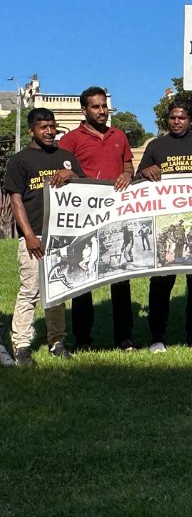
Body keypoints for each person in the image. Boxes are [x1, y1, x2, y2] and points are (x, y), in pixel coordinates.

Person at [3, 108, 84, 363]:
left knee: (58, 290)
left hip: (63, 235)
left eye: (52, 126)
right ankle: (22, 345)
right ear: (31, 131)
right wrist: (28, 235)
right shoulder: (20, 160)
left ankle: (57, 342)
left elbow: (85, 190)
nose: (49, 131)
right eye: (43, 127)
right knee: (31, 291)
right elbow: (16, 200)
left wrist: (73, 175)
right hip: (35, 234)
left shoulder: (66, 157)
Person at [137, 98, 192, 350]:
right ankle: (157, 337)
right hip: (164, 224)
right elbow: (139, 177)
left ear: (191, 120)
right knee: (161, 283)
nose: (176, 121)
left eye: (182, 117)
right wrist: (145, 172)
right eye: (172, 117)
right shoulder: (156, 146)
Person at [63, 86, 137, 351]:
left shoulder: (119, 136)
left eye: (104, 106)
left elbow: (128, 165)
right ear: (84, 110)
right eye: (96, 107)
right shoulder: (71, 139)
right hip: (84, 217)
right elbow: (61, 170)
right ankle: (83, 339)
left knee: (120, 276)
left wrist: (128, 174)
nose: (102, 111)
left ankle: (125, 337)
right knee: (83, 279)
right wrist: (68, 176)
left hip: (116, 215)